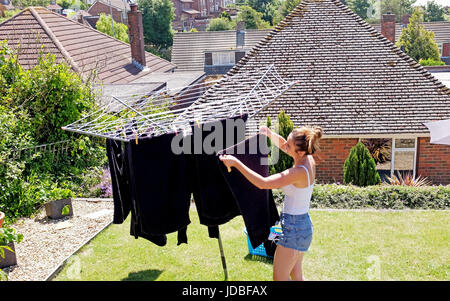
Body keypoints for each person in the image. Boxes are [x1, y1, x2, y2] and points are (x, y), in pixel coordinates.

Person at [219, 124, 323, 281]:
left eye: (289, 145)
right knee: (296, 276)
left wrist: (236, 163)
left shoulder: (297, 172)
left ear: (300, 151)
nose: (285, 146)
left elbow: (263, 183)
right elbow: (284, 145)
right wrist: (269, 133)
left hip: (294, 230)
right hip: (302, 227)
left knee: (279, 278)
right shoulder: (307, 159)